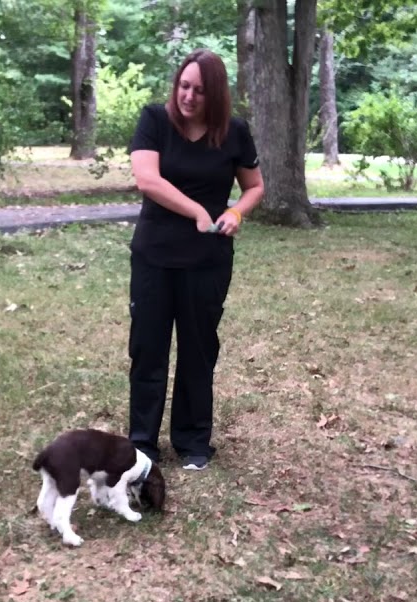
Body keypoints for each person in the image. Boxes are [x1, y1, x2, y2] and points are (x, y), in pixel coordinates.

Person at [125, 49, 265, 471]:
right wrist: (197, 211)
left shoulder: (234, 132)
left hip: (207, 260)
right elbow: (147, 179)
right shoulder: (155, 120)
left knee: (199, 349)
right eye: (184, 86)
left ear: (215, 94)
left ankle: (192, 441)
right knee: (148, 348)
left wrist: (236, 212)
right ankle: (142, 444)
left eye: (200, 91)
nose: (188, 96)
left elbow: (255, 186)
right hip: (154, 256)